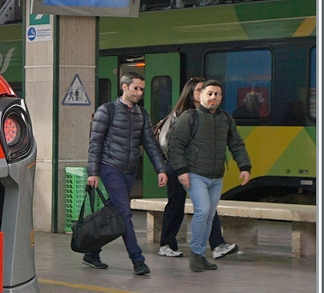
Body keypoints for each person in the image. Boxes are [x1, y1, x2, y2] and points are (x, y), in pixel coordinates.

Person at [84, 72, 170, 276]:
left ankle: (92, 252)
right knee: (124, 213)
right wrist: (93, 172)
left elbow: (150, 144)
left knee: (114, 211)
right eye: (135, 88)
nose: (139, 93)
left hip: (129, 171)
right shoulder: (107, 110)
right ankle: (137, 260)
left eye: (141, 89)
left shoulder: (142, 114)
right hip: (110, 167)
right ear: (124, 87)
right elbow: (95, 142)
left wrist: (161, 169)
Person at [167, 79, 252, 272]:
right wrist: (181, 171)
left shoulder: (225, 119)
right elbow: (176, 145)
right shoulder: (190, 117)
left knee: (209, 216)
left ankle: (200, 255)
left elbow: (236, 144)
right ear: (201, 96)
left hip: (216, 177)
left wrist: (244, 166)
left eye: (217, 94)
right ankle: (195, 255)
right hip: (195, 174)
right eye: (210, 93)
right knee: (203, 211)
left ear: (221, 97)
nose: (213, 97)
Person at [155, 79, 234, 259]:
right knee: (176, 204)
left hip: (199, 169)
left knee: (206, 208)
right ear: (191, 93)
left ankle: (217, 244)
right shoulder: (181, 115)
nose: (206, 93)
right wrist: (180, 164)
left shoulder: (211, 115)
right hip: (178, 167)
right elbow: (167, 143)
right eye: (200, 90)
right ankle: (167, 243)